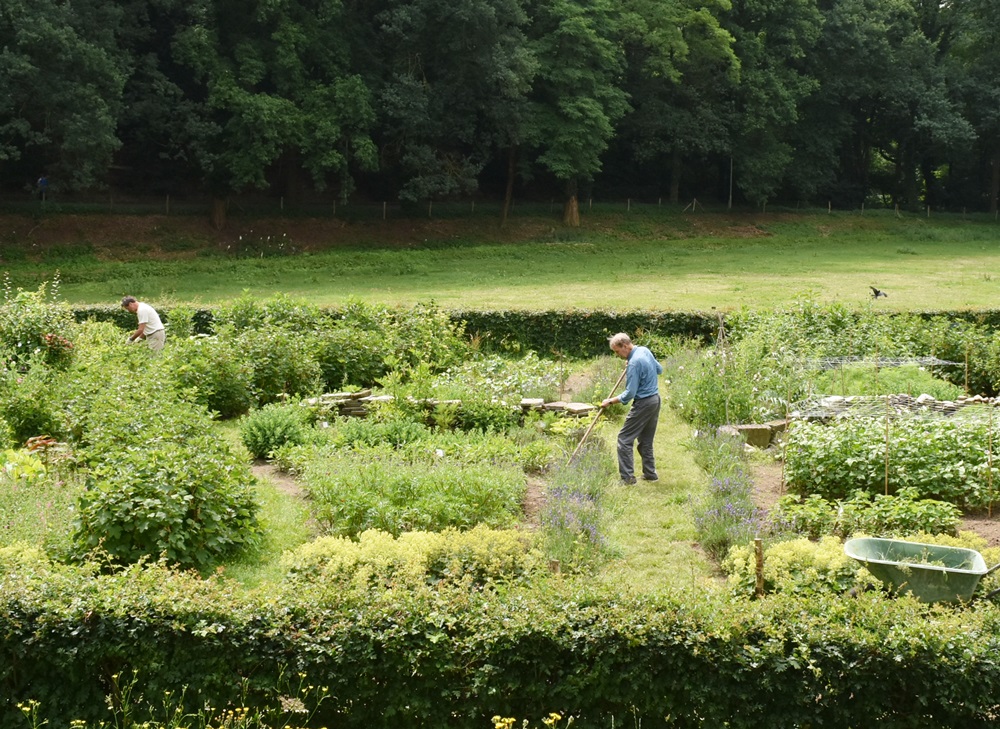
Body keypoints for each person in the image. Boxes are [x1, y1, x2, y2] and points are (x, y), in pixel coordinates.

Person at [601, 332, 663, 484]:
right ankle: (650, 474)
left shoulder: (634, 362)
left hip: (643, 404)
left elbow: (630, 394)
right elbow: (659, 369)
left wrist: (610, 401)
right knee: (646, 440)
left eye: (617, 351)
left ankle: (627, 478)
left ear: (626, 346)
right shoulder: (644, 350)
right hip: (655, 400)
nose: (617, 355)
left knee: (624, 439)